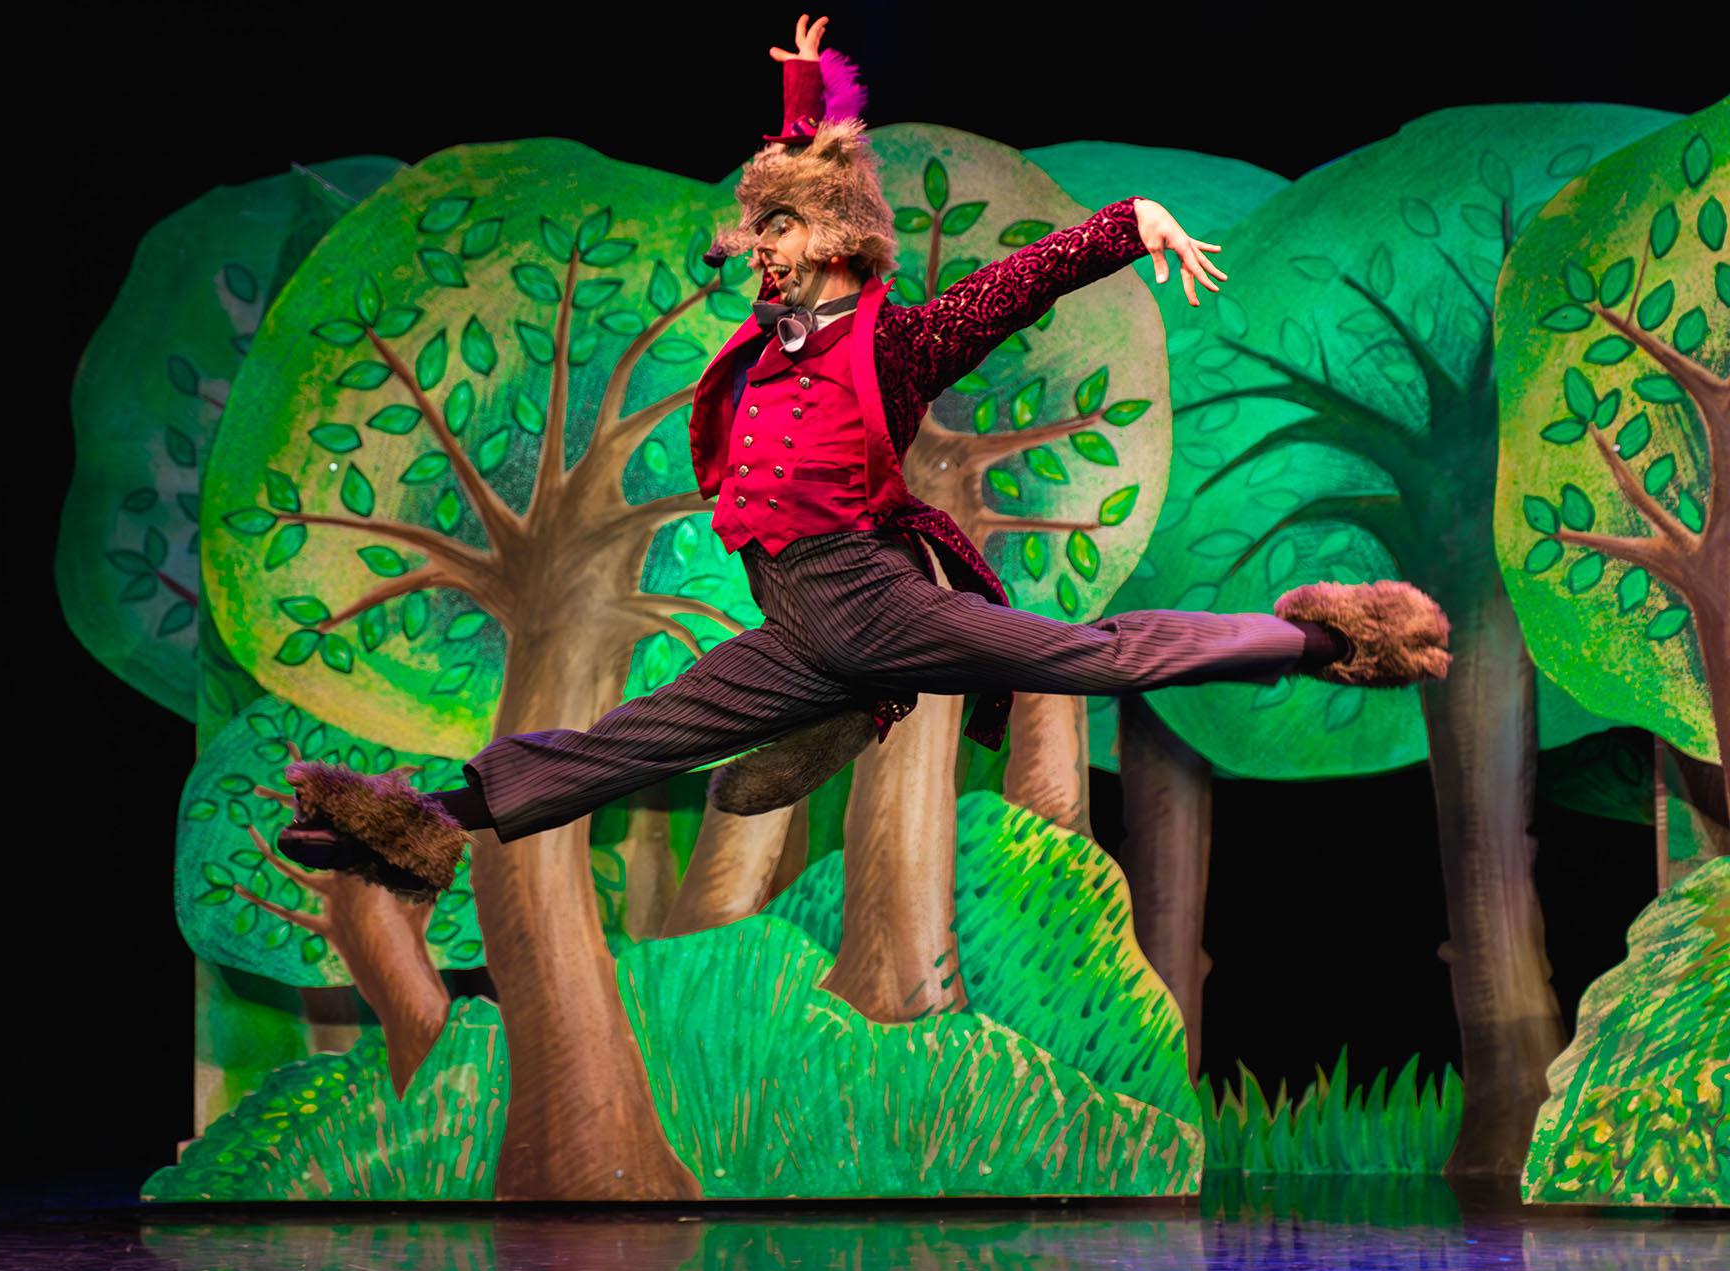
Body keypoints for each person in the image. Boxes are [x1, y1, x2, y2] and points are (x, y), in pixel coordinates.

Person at [277, 17, 1452, 891]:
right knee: (634, 738)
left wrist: (1125, 223)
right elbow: (805, 172)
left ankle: (1320, 634)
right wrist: (799, 88)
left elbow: (1006, 289)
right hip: (797, 616)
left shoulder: (892, 347)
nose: (757, 252)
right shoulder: (767, 343)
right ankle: (409, 820)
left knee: (1093, 656)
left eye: (777, 234)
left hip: (872, 595)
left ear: (837, 243)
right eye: (757, 235)